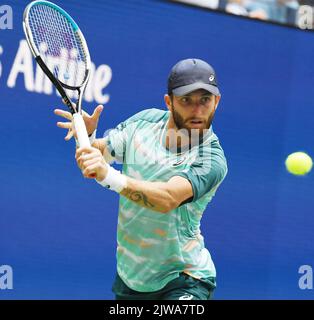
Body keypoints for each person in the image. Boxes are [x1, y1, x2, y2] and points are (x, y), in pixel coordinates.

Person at [54, 58, 228, 300]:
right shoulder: (143, 124)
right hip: (131, 279)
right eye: (186, 100)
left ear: (216, 102)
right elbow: (98, 155)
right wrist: (87, 135)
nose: (197, 111)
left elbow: (168, 198)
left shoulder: (211, 159)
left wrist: (109, 176)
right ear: (169, 102)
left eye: (205, 100)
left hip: (184, 279)